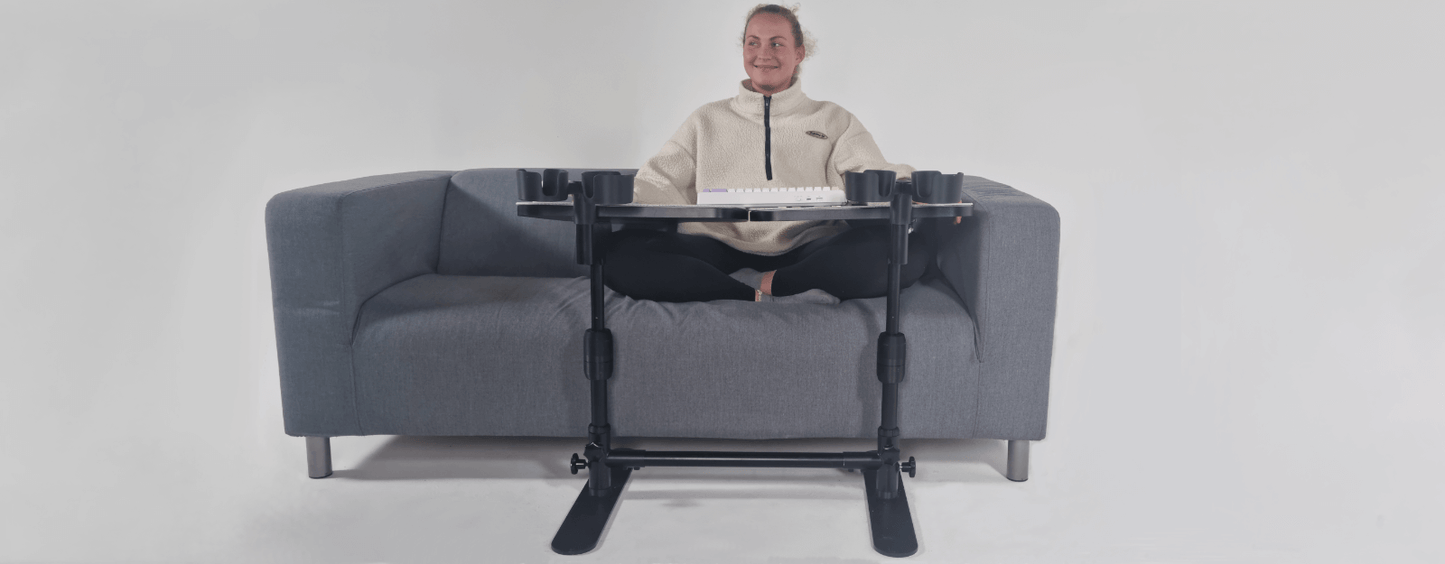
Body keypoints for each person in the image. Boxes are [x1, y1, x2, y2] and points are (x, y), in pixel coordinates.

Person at [605, 4, 934, 303]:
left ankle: (780, 284)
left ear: (799, 53)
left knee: (907, 250)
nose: (763, 54)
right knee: (618, 253)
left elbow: (871, 171)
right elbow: (659, 180)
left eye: (776, 43)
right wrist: (609, 195)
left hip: (808, 245)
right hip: (716, 243)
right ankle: (742, 293)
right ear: (743, 50)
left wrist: (915, 190)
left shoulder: (834, 119)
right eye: (753, 43)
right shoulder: (705, 119)